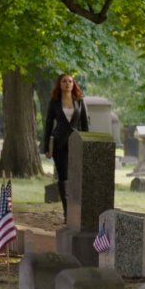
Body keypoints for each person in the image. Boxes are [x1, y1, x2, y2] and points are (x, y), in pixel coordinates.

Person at [43, 73, 89, 221]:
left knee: (76, 176)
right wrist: (46, 147)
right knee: (63, 178)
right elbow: (49, 124)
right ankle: (67, 211)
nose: (67, 83)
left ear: (73, 84)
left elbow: (85, 125)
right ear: (60, 84)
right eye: (64, 81)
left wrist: (87, 144)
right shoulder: (55, 102)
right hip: (59, 144)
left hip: (76, 143)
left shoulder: (80, 101)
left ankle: (77, 210)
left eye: (70, 81)